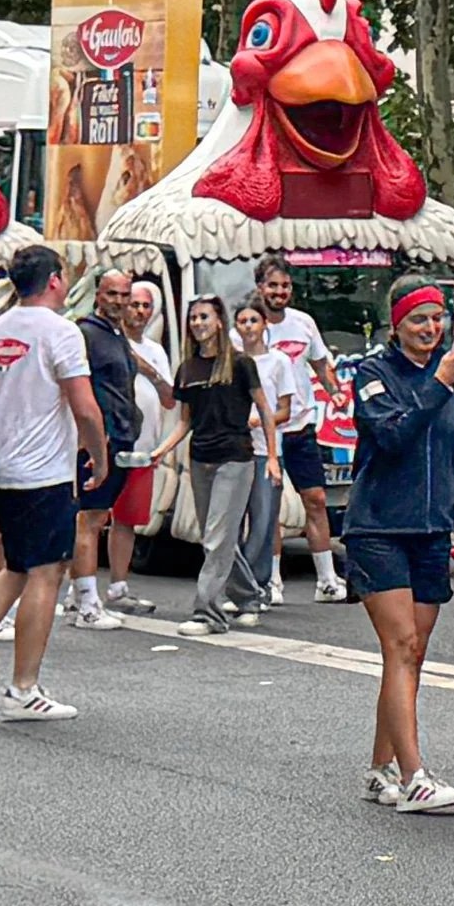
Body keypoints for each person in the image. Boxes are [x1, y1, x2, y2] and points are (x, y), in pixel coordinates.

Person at [0, 245, 107, 722]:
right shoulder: (61, 331)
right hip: (42, 470)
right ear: (53, 279)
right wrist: (100, 454)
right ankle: (22, 689)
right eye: (64, 276)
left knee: (17, 566)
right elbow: (84, 406)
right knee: (48, 571)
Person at [348, 276, 454, 814]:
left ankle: (380, 769)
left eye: (436, 318)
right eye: (418, 320)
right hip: (378, 528)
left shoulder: (449, 381)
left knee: (412, 654)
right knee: (400, 646)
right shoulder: (373, 374)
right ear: (396, 324)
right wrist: (439, 384)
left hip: (430, 531)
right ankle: (415, 777)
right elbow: (392, 435)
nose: (431, 328)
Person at [168, 295, 269, 637]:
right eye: (193, 318)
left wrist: (271, 459)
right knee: (217, 538)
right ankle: (250, 597)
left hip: (236, 459)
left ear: (220, 321)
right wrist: (160, 451)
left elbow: (266, 411)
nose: (198, 323)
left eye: (204, 317)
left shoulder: (240, 364)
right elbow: (185, 422)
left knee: (216, 538)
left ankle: (208, 614)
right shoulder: (187, 369)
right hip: (200, 459)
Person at [257, 253, 347, 602]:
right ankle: (272, 582)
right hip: (265, 432)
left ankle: (326, 581)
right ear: (260, 288)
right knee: (270, 507)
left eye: (285, 286)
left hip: (301, 427)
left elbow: (322, 364)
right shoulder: (248, 328)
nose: (280, 292)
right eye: (273, 285)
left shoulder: (303, 323)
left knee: (316, 499)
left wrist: (336, 394)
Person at [67, 267, 142, 631]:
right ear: (98, 295)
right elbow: (74, 386)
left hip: (121, 438)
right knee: (90, 520)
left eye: (124, 295)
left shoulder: (116, 334)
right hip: (101, 441)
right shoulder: (85, 334)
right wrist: (90, 435)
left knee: (97, 518)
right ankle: (88, 606)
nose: (119, 302)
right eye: (112, 294)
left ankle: (75, 597)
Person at [98, 276, 176, 615]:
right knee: (92, 516)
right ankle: (79, 590)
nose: (140, 311)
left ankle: (118, 587)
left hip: (143, 448)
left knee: (127, 520)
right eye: (135, 304)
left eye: (146, 306)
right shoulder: (106, 342)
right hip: (107, 444)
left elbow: (171, 399)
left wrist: (152, 373)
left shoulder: (157, 350)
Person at [231, 294, 302, 619]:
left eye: (253, 321)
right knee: (233, 523)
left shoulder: (278, 362)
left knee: (262, 522)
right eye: (243, 321)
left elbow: (287, 409)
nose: (248, 327)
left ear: (264, 325)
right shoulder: (231, 362)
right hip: (234, 451)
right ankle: (238, 587)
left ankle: (258, 586)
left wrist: (264, 418)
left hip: (265, 450)